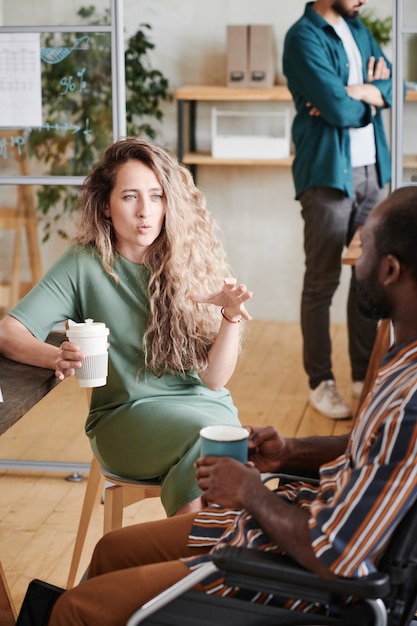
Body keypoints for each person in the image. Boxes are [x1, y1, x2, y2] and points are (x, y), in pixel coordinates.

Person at [48, 186, 417, 625]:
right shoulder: (404, 360)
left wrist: (250, 493)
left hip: (292, 578)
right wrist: (293, 451)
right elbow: (371, 450)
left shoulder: (410, 400)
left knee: (75, 610)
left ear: (391, 270)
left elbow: (336, 554)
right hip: (292, 523)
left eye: (365, 249)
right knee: (110, 550)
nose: (355, 263)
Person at [0, 137, 253, 517]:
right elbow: (9, 332)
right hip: (125, 418)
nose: (144, 211)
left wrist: (231, 317)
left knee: (223, 444)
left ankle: (200, 564)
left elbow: (214, 382)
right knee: (212, 445)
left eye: (156, 196)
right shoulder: (84, 264)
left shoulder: (191, 261)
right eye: (130, 197)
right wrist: (56, 355)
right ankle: (197, 565)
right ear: (105, 205)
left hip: (204, 406)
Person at [283, 0, 392, 419]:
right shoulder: (303, 37)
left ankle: (364, 375)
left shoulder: (358, 27)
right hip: (328, 174)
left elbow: (392, 84)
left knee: (368, 278)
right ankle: (320, 381)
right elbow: (336, 109)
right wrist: (361, 97)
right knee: (322, 280)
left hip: (372, 171)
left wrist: (355, 93)